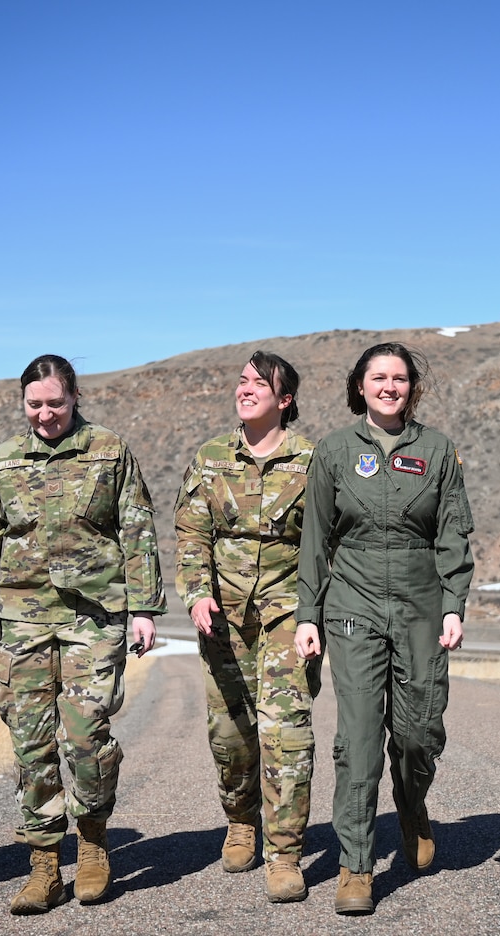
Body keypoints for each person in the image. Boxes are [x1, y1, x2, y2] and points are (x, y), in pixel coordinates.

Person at [0, 354, 163, 914]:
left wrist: (145, 608)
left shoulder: (109, 450)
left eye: (55, 402)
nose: (45, 414)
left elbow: (137, 528)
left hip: (93, 616)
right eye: (34, 403)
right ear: (22, 403)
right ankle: (45, 863)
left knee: (85, 734)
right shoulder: (2, 462)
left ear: (75, 398)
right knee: (30, 742)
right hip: (21, 619)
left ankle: (93, 843)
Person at [294, 342, 475, 915]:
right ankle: (356, 866)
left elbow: (452, 535)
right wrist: (307, 615)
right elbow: (315, 542)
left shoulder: (439, 450)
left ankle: (412, 804)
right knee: (360, 739)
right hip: (354, 604)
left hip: (422, 604)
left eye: (399, 378)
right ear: (360, 385)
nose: (389, 387)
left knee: (419, 731)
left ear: (411, 387)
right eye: (379, 377)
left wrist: (453, 604)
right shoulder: (333, 451)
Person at [175, 351, 320, 903]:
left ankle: (285, 853)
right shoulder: (210, 458)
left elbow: (323, 541)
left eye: (260, 383)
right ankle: (241, 820)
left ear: (285, 400)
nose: (246, 389)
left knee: (286, 732)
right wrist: (196, 595)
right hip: (222, 617)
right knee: (230, 734)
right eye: (242, 380)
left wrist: (314, 613)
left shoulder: (313, 459)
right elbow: (191, 533)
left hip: (288, 613)